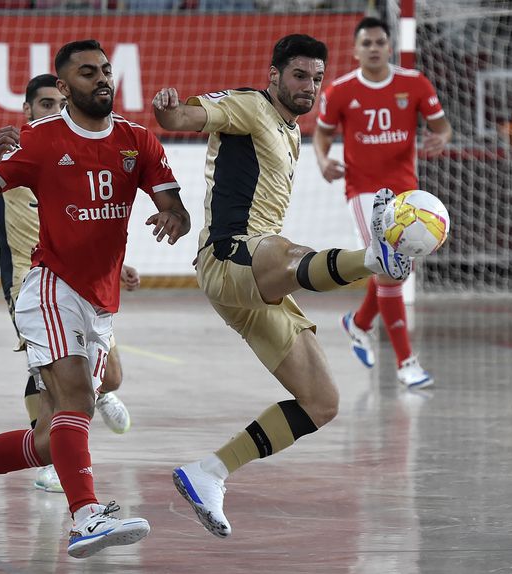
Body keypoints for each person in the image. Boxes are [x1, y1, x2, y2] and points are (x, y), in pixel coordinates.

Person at [0, 39, 191, 559]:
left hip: (100, 299)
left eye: (105, 70)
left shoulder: (138, 140)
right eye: (87, 73)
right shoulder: (39, 141)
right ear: (64, 87)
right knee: (80, 399)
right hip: (49, 286)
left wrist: (175, 218)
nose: (101, 79)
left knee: (49, 440)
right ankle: (85, 517)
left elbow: (174, 204)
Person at [153, 34, 411, 538]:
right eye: (299, 76)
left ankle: (209, 472)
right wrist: (168, 110)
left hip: (255, 283)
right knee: (287, 252)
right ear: (274, 76)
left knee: (322, 402)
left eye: (317, 78)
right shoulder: (250, 106)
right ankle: (375, 259)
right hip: (230, 258)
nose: (309, 87)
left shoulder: (292, 132)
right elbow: (181, 119)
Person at [0, 73, 135, 495]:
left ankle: (84, 406)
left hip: (84, 284)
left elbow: (91, 220)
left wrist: (118, 266)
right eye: (43, 104)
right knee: (52, 380)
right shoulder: (6, 151)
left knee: (112, 376)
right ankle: (58, 468)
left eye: (56, 103)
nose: (52, 110)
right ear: (27, 109)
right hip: (30, 283)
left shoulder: (73, 149)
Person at [313, 16, 452, 389]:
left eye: (379, 42)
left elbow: (442, 127)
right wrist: (323, 160)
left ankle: (358, 324)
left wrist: (440, 139)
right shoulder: (341, 91)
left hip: (408, 194)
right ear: (356, 50)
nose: (373, 49)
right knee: (392, 269)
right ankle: (407, 363)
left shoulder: (414, 84)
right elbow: (321, 136)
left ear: (390, 47)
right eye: (366, 43)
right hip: (364, 191)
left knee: (392, 265)